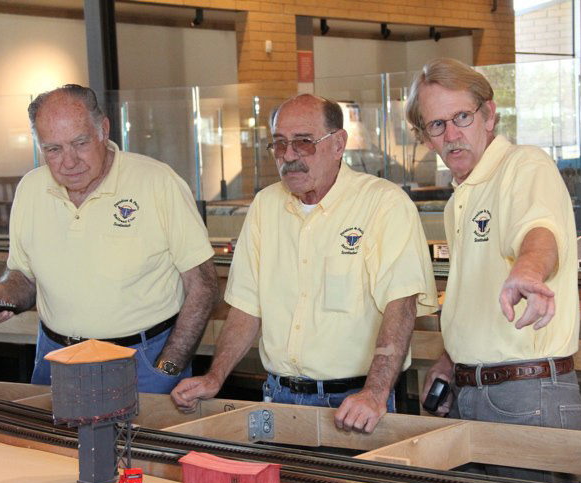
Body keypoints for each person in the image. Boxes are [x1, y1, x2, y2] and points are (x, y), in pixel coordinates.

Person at [171, 94, 438, 433]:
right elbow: (246, 309)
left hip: (355, 402)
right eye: (279, 144)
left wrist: (375, 392)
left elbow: (400, 307)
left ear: (338, 144)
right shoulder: (265, 207)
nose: (289, 156)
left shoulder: (383, 205)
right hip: (278, 397)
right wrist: (215, 376)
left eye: (303, 143)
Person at [0, 84, 219, 393]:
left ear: (103, 130)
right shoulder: (30, 189)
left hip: (142, 361)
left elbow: (203, 285)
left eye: (80, 143)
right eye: (53, 149)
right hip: (55, 359)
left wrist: (168, 369)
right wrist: (3, 293)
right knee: (48, 444)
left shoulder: (158, 182)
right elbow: (25, 276)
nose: (69, 161)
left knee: (142, 444)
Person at [408, 58, 581, 432]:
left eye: (462, 117)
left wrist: (528, 272)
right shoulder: (462, 196)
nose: (452, 135)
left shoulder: (524, 165)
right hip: (471, 388)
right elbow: (476, 299)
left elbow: (540, 235)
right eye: (437, 125)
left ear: (489, 115)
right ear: (425, 137)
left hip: (527, 394)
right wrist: (450, 360)